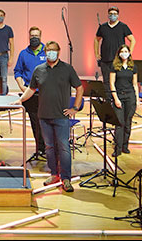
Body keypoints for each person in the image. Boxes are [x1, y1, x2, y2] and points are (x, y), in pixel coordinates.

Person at [14, 41, 83, 193]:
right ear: (45, 52)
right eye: (49, 50)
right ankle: (54, 174)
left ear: (58, 52)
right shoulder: (38, 70)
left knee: (64, 147)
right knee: (49, 148)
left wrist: (75, 108)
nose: (51, 52)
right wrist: (20, 100)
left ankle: (66, 178)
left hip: (61, 116)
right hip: (43, 116)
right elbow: (31, 90)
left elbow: (79, 88)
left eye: (54, 50)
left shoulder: (67, 69)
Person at [13, 26, 48, 161]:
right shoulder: (23, 53)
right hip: (30, 94)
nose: (34, 38)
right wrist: (22, 87)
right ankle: (40, 148)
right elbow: (18, 71)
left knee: (46, 122)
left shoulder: (47, 52)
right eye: (32, 36)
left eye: (37, 36)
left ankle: (48, 148)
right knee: (35, 122)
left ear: (41, 36)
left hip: (46, 94)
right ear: (29, 37)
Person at [94, 6, 136, 88]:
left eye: (115, 14)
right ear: (108, 15)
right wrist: (96, 54)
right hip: (105, 60)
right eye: (111, 14)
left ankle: (118, 100)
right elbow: (96, 40)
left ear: (118, 15)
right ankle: (108, 100)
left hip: (119, 60)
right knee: (106, 81)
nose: (112, 15)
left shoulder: (123, 26)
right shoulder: (103, 27)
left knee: (118, 81)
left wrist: (128, 53)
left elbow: (132, 40)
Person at [110, 45, 138, 156]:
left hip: (130, 96)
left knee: (128, 123)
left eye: (126, 51)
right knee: (119, 123)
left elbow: (135, 84)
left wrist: (137, 98)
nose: (124, 53)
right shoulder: (115, 66)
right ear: (119, 53)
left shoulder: (133, 67)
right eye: (122, 51)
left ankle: (125, 146)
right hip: (119, 96)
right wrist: (115, 98)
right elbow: (112, 83)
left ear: (129, 53)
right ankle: (117, 148)